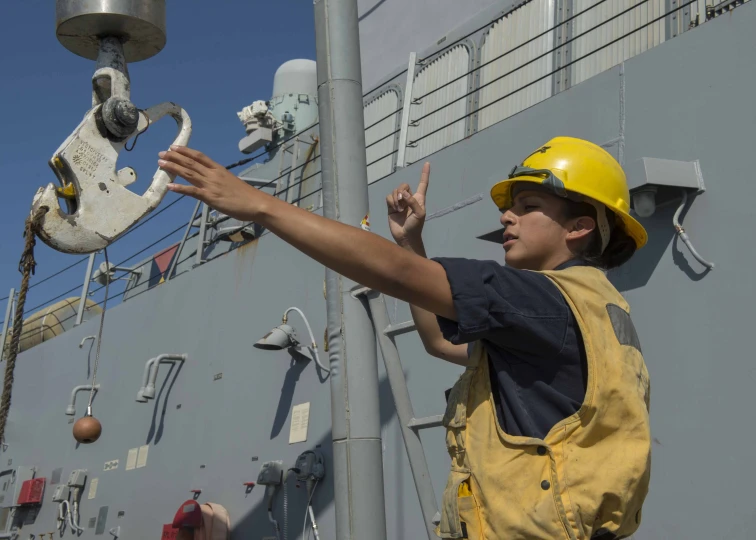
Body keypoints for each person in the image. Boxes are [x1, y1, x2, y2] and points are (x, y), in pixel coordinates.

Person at [158, 136, 651, 540]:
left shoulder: (539, 298)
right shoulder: (593, 310)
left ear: (580, 226)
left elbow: (394, 274)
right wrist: (414, 244)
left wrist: (259, 206)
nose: (507, 216)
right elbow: (441, 343)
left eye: (529, 206)